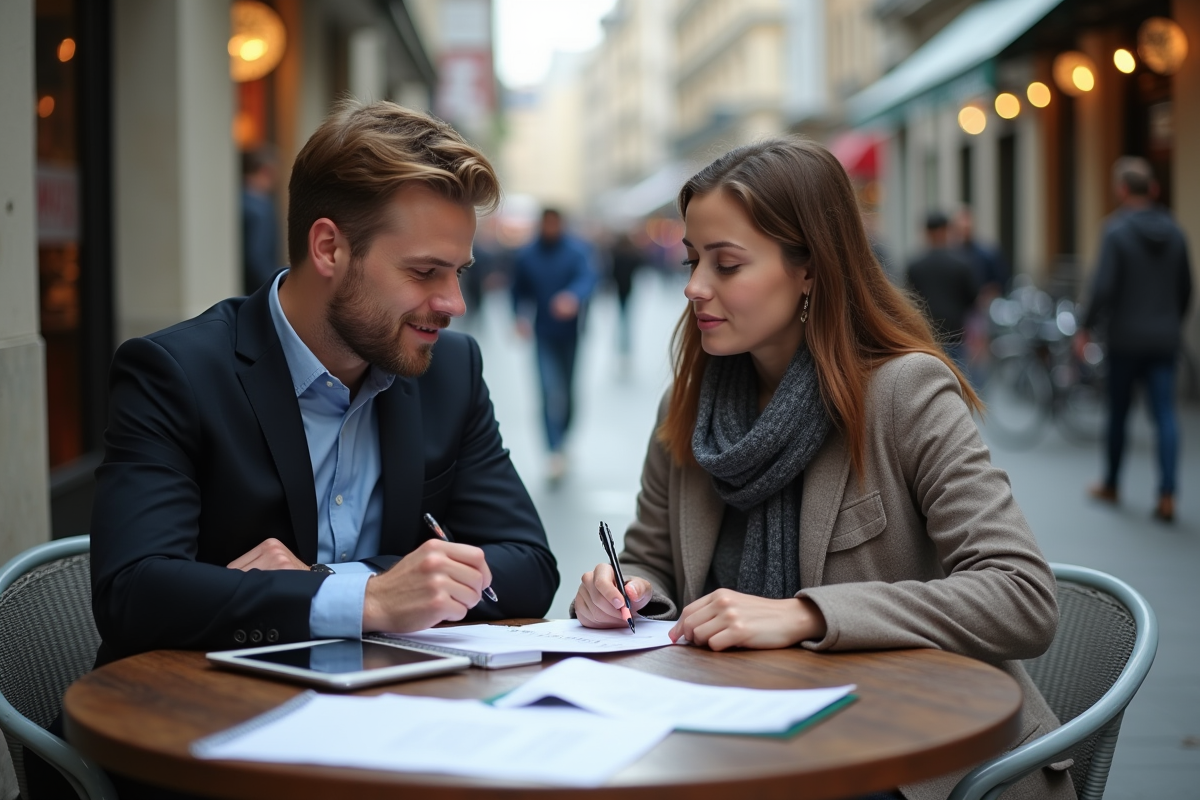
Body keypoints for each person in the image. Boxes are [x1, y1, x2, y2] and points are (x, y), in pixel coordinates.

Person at [573, 139, 1072, 800]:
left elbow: (1021, 597)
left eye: (726, 264)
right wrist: (621, 589)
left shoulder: (904, 394)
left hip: (912, 761)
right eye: (694, 260)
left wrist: (807, 614)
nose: (694, 287)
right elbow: (651, 561)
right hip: (730, 742)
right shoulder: (689, 406)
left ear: (809, 268)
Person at [1081, 156, 1192, 522]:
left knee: (1119, 413)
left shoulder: (1115, 231)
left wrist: (1085, 327)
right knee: (1165, 415)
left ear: (1122, 189)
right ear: (1154, 189)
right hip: (1164, 338)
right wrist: (1172, 322)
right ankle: (1167, 495)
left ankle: (1112, 483)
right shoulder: (1176, 231)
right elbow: (1186, 287)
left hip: (1126, 338)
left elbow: (1103, 287)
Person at [511, 208, 598, 481]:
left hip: (571, 333)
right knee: (548, 391)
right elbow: (517, 289)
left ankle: (564, 438)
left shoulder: (576, 250)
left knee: (569, 391)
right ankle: (554, 450)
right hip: (543, 333)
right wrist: (518, 317)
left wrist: (573, 296)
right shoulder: (527, 254)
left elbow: (589, 278)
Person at [905, 211, 980, 370]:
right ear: (946, 231)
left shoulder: (915, 265)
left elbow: (910, 299)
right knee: (959, 379)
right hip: (955, 333)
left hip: (927, 334)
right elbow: (972, 298)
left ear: (927, 233)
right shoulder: (962, 263)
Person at [241, 145, 281, 294]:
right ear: (266, 171)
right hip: (257, 291)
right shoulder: (260, 208)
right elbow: (257, 260)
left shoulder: (236, 200)